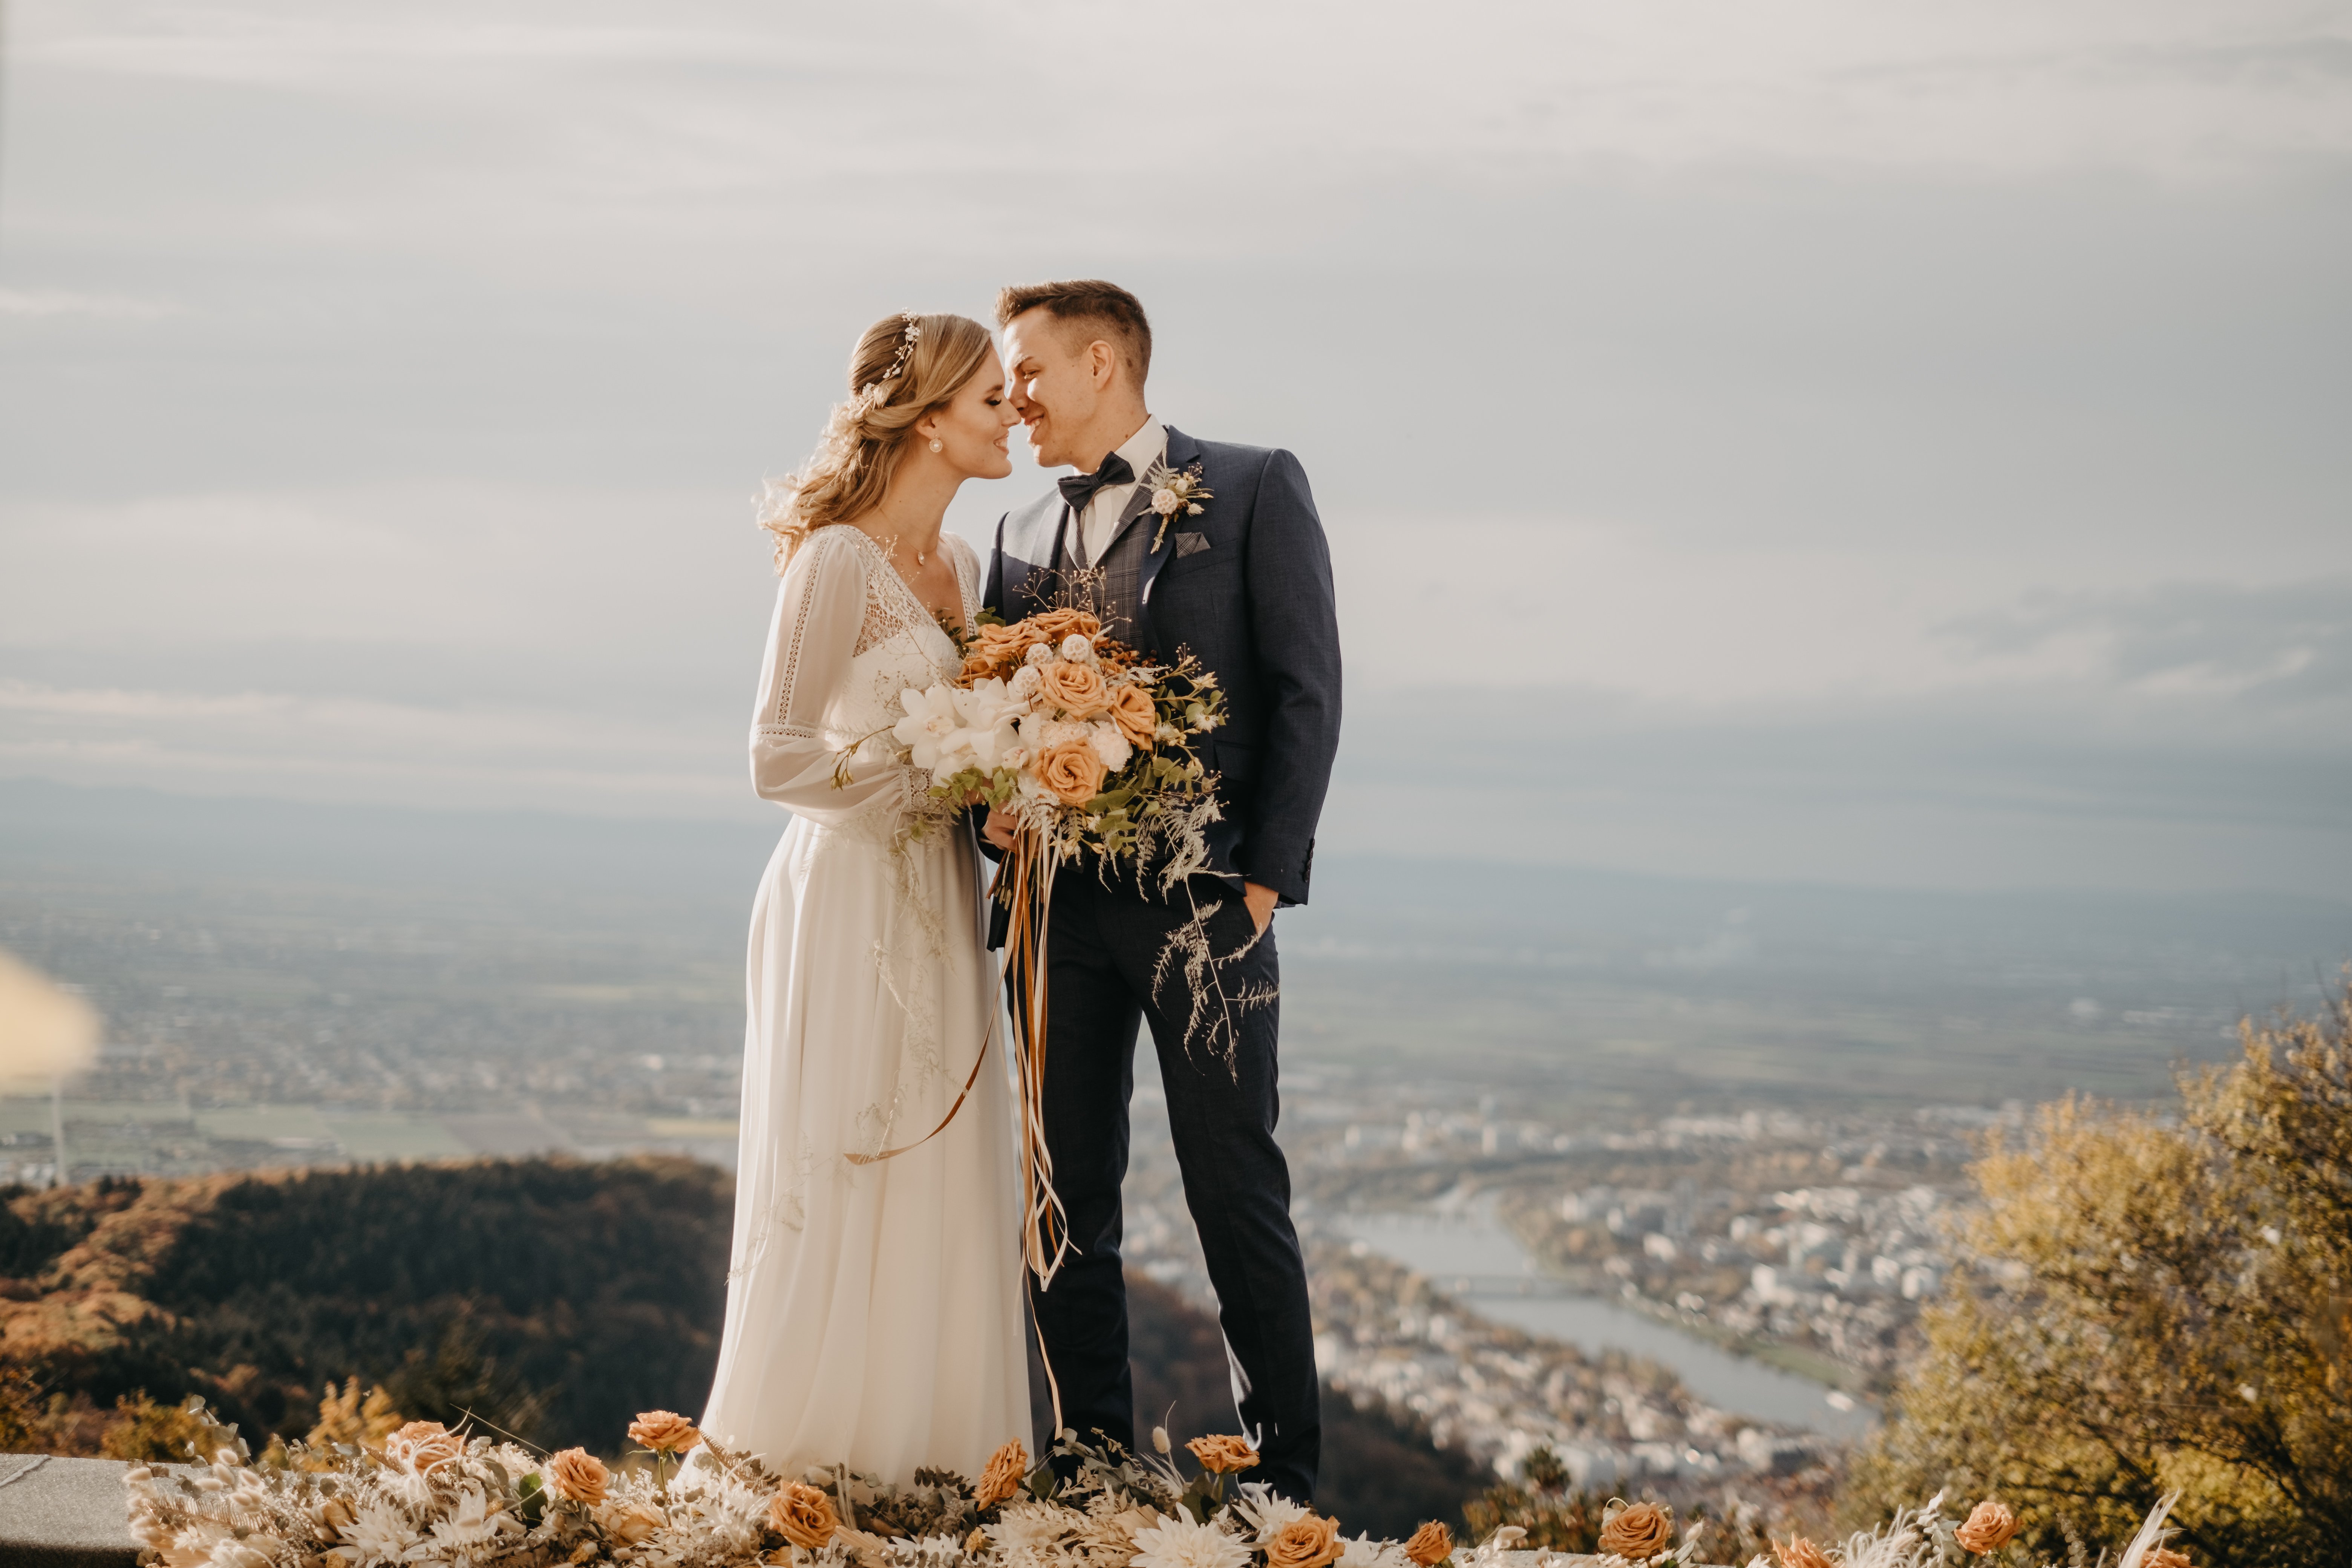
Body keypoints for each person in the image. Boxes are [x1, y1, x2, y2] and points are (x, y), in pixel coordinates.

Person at [980, 279, 1342, 1503]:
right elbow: (993, 715)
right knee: (1066, 1198)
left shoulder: (1248, 486)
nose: (1012, 396)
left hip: (1202, 908)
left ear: (1101, 362)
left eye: (1027, 370)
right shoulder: (1022, 529)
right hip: (1054, 917)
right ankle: (1090, 1467)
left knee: (1233, 1190)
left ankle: (1280, 1487)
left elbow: (1306, 691)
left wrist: (1262, 888)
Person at [697, 311, 1028, 1480]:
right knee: (842, 1149)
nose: (1014, 418)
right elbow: (775, 758)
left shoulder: (975, 571)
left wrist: (1006, 785)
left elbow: (984, 745)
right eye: (994, 399)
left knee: (944, 1165)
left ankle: (926, 1462)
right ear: (931, 418)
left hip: (942, 894)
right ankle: (796, 1459)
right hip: (844, 895)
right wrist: (935, 768)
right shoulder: (835, 559)